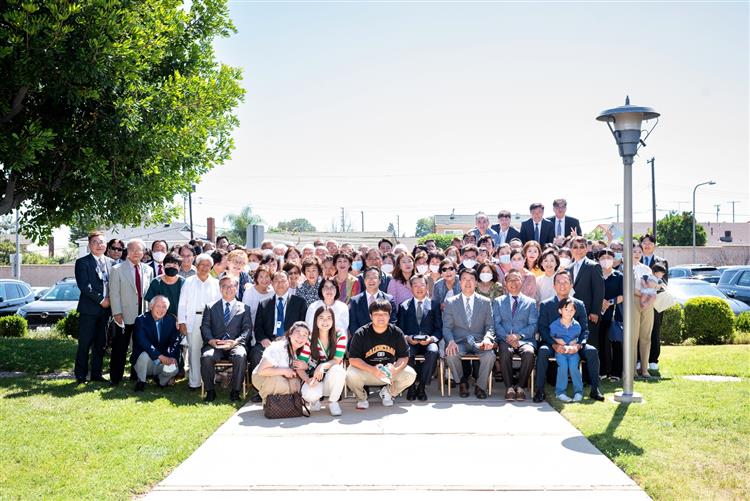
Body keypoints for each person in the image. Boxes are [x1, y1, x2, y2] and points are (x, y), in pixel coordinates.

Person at [534, 271, 604, 403]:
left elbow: (585, 329)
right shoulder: (546, 304)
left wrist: (578, 345)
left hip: (574, 343)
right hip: (552, 343)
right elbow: (543, 329)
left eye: (566, 282)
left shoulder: (579, 304)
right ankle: (539, 390)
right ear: (554, 286)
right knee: (543, 351)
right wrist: (554, 345)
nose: (562, 285)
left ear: (571, 285)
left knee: (592, 351)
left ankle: (595, 389)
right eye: (559, 282)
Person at [346, 299, 417, 409]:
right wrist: (372, 369)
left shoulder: (397, 332)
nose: (380, 317)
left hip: (388, 373)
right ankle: (361, 398)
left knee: (410, 374)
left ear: (389, 316)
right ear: (370, 316)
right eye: (376, 314)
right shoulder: (361, 333)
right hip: (367, 371)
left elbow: (404, 356)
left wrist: (395, 369)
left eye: (384, 314)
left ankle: (388, 393)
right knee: (350, 374)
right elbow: (353, 359)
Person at [251, 270, 308, 401]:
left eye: (283, 280)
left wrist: (288, 337)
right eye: (276, 281)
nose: (280, 283)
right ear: (271, 283)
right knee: (256, 353)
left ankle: (291, 389)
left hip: (291, 341)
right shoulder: (264, 303)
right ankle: (261, 390)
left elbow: (302, 325)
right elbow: (258, 327)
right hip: (270, 341)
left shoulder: (299, 302)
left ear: (289, 282)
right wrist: (263, 339)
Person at [442, 268, 496, 399]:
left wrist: (488, 339)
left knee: (490, 356)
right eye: (464, 279)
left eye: (471, 279)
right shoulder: (451, 302)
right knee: (451, 354)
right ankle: (462, 382)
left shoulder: (486, 302)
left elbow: (490, 326)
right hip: (459, 342)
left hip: (479, 342)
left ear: (476, 282)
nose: (468, 282)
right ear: (459, 282)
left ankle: (480, 386)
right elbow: (447, 327)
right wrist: (451, 341)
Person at [108, 239, 154, 386]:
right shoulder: (117, 269)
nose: (135, 253)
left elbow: (149, 293)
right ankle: (116, 377)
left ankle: (136, 375)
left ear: (143, 252)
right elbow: (114, 293)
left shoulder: (148, 270)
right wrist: (117, 313)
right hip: (124, 315)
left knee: (139, 347)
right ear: (127, 251)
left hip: (142, 315)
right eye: (132, 249)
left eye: (139, 250)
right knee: (120, 347)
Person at [200, 275, 252, 402]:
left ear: (236, 288)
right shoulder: (210, 307)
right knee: (207, 356)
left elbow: (247, 329)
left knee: (240, 355)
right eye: (225, 286)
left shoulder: (244, 308)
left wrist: (236, 342)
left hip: (235, 345)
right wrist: (211, 340)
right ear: (220, 289)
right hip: (215, 345)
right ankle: (210, 391)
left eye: (231, 286)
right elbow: (205, 327)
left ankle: (235, 391)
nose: (228, 289)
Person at [74, 232, 114, 384]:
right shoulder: (82, 262)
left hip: (106, 311)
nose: (99, 245)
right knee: (84, 344)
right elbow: (84, 286)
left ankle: (96, 374)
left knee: (100, 344)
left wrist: (111, 300)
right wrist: (101, 300)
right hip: (88, 311)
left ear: (106, 245)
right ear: (89, 245)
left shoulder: (112, 263)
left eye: (101, 242)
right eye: (95, 242)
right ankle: (81, 375)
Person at [177, 253, 221, 390]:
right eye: (202, 264)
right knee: (194, 351)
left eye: (208, 265)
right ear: (196, 265)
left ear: (211, 267)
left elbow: (219, 305)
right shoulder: (188, 282)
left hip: (211, 321)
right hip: (193, 319)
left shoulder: (216, 283)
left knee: (210, 351)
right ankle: (194, 382)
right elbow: (182, 304)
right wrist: (182, 322)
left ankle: (209, 381)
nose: (204, 267)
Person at [493, 269, 538, 400]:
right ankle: (509, 388)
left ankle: (520, 387)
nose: (513, 283)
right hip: (505, 339)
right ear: (505, 283)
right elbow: (496, 323)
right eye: (510, 280)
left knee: (529, 353)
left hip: (525, 339)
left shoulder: (531, 302)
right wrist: (508, 337)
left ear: (521, 281)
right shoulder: (498, 301)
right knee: (505, 352)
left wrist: (519, 336)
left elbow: (533, 325)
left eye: (516, 279)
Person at [397, 274, 442, 401]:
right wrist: (407, 338)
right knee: (406, 351)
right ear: (411, 288)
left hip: (428, 341)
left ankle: (422, 386)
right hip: (411, 341)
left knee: (433, 351)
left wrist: (431, 339)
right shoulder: (404, 306)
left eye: (422, 285)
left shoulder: (434, 305)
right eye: (415, 285)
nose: (419, 288)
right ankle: (411, 387)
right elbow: (399, 330)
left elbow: (439, 328)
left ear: (427, 287)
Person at [298, 306, 347, 416]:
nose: (325, 321)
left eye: (329, 318)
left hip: (331, 378)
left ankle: (333, 401)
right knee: (309, 395)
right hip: (314, 378)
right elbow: (300, 365)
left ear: (333, 320)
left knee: (339, 370)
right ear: (315, 320)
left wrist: (322, 366)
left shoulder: (340, 335)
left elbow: (337, 360)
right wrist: (308, 380)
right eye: (321, 318)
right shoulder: (309, 338)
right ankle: (315, 399)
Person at [251, 322, 309, 404]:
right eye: (298, 332)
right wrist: (285, 371)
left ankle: (287, 404)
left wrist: (307, 374)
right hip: (262, 377)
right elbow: (261, 371)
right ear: (290, 334)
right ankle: (273, 404)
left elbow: (298, 370)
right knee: (282, 383)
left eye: (304, 335)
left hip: (279, 377)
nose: (301, 337)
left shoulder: (296, 352)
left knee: (296, 383)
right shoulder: (279, 348)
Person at [567, 237, 605, 362]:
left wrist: (595, 312)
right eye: (575, 247)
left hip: (589, 314)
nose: (578, 250)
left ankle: (590, 373)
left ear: (587, 248)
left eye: (582, 247)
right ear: (571, 249)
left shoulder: (594, 266)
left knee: (589, 346)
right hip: (570, 314)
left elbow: (599, 291)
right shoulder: (568, 268)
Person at [132, 295, 180, 391]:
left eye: (164, 307)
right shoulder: (141, 320)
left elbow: (175, 341)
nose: (161, 310)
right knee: (144, 355)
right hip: (145, 363)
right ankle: (141, 381)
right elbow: (143, 342)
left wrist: (172, 357)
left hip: (161, 362)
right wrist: (160, 356)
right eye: (158, 306)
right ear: (151, 306)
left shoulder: (171, 320)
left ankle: (160, 380)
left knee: (174, 367)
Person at [639, 233, 668, 371]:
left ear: (654, 246)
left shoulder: (661, 261)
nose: (647, 245)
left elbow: (664, 282)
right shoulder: (636, 258)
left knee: (655, 330)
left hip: (655, 301)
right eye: (644, 243)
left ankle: (653, 360)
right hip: (638, 299)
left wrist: (652, 288)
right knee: (639, 329)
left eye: (650, 243)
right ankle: (639, 359)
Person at [550, 297, 584, 402]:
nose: (569, 312)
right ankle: (560, 393)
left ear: (575, 312)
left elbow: (578, 338)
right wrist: (557, 340)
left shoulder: (577, 325)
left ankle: (578, 392)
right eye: (566, 309)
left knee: (574, 367)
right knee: (563, 366)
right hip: (561, 351)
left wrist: (575, 343)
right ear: (560, 311)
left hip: (572, 352)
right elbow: (550, 336)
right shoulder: (554, 325)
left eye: (571, 310)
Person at [348, 267, 397, 335]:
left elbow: (392, 322)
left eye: (374, 277)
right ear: (364, 280)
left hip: (384, 338)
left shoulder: (389, 299)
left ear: (380, 281)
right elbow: (353, 325)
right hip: (361, 339)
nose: (371, 280)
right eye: (368, 277)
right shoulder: (355, 301)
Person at [632, 242, 656, 379]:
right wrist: (642, 294)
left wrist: (648, 297)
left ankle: (644, 369)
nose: (637, 254)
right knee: (633, 337)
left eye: (639, 252)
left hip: (648, 302)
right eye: (634, 251)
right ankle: (632, 370)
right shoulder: (624, 268)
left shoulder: (646, 269)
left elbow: (652, 285)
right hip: (633, 301)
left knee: (646, 336)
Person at [598, 248, 623, 380]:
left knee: (616, 343)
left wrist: (609, 302)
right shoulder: (596, 275)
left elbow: (622, 295)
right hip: (599, 315)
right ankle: (603, 371)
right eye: (603, 258)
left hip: (614, 314)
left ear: (613, 260)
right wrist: (600, 301)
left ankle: (616, 373)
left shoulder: (619, 276)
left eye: (609, 258)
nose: (606, 260)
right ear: (598, 260)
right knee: (601, 343)